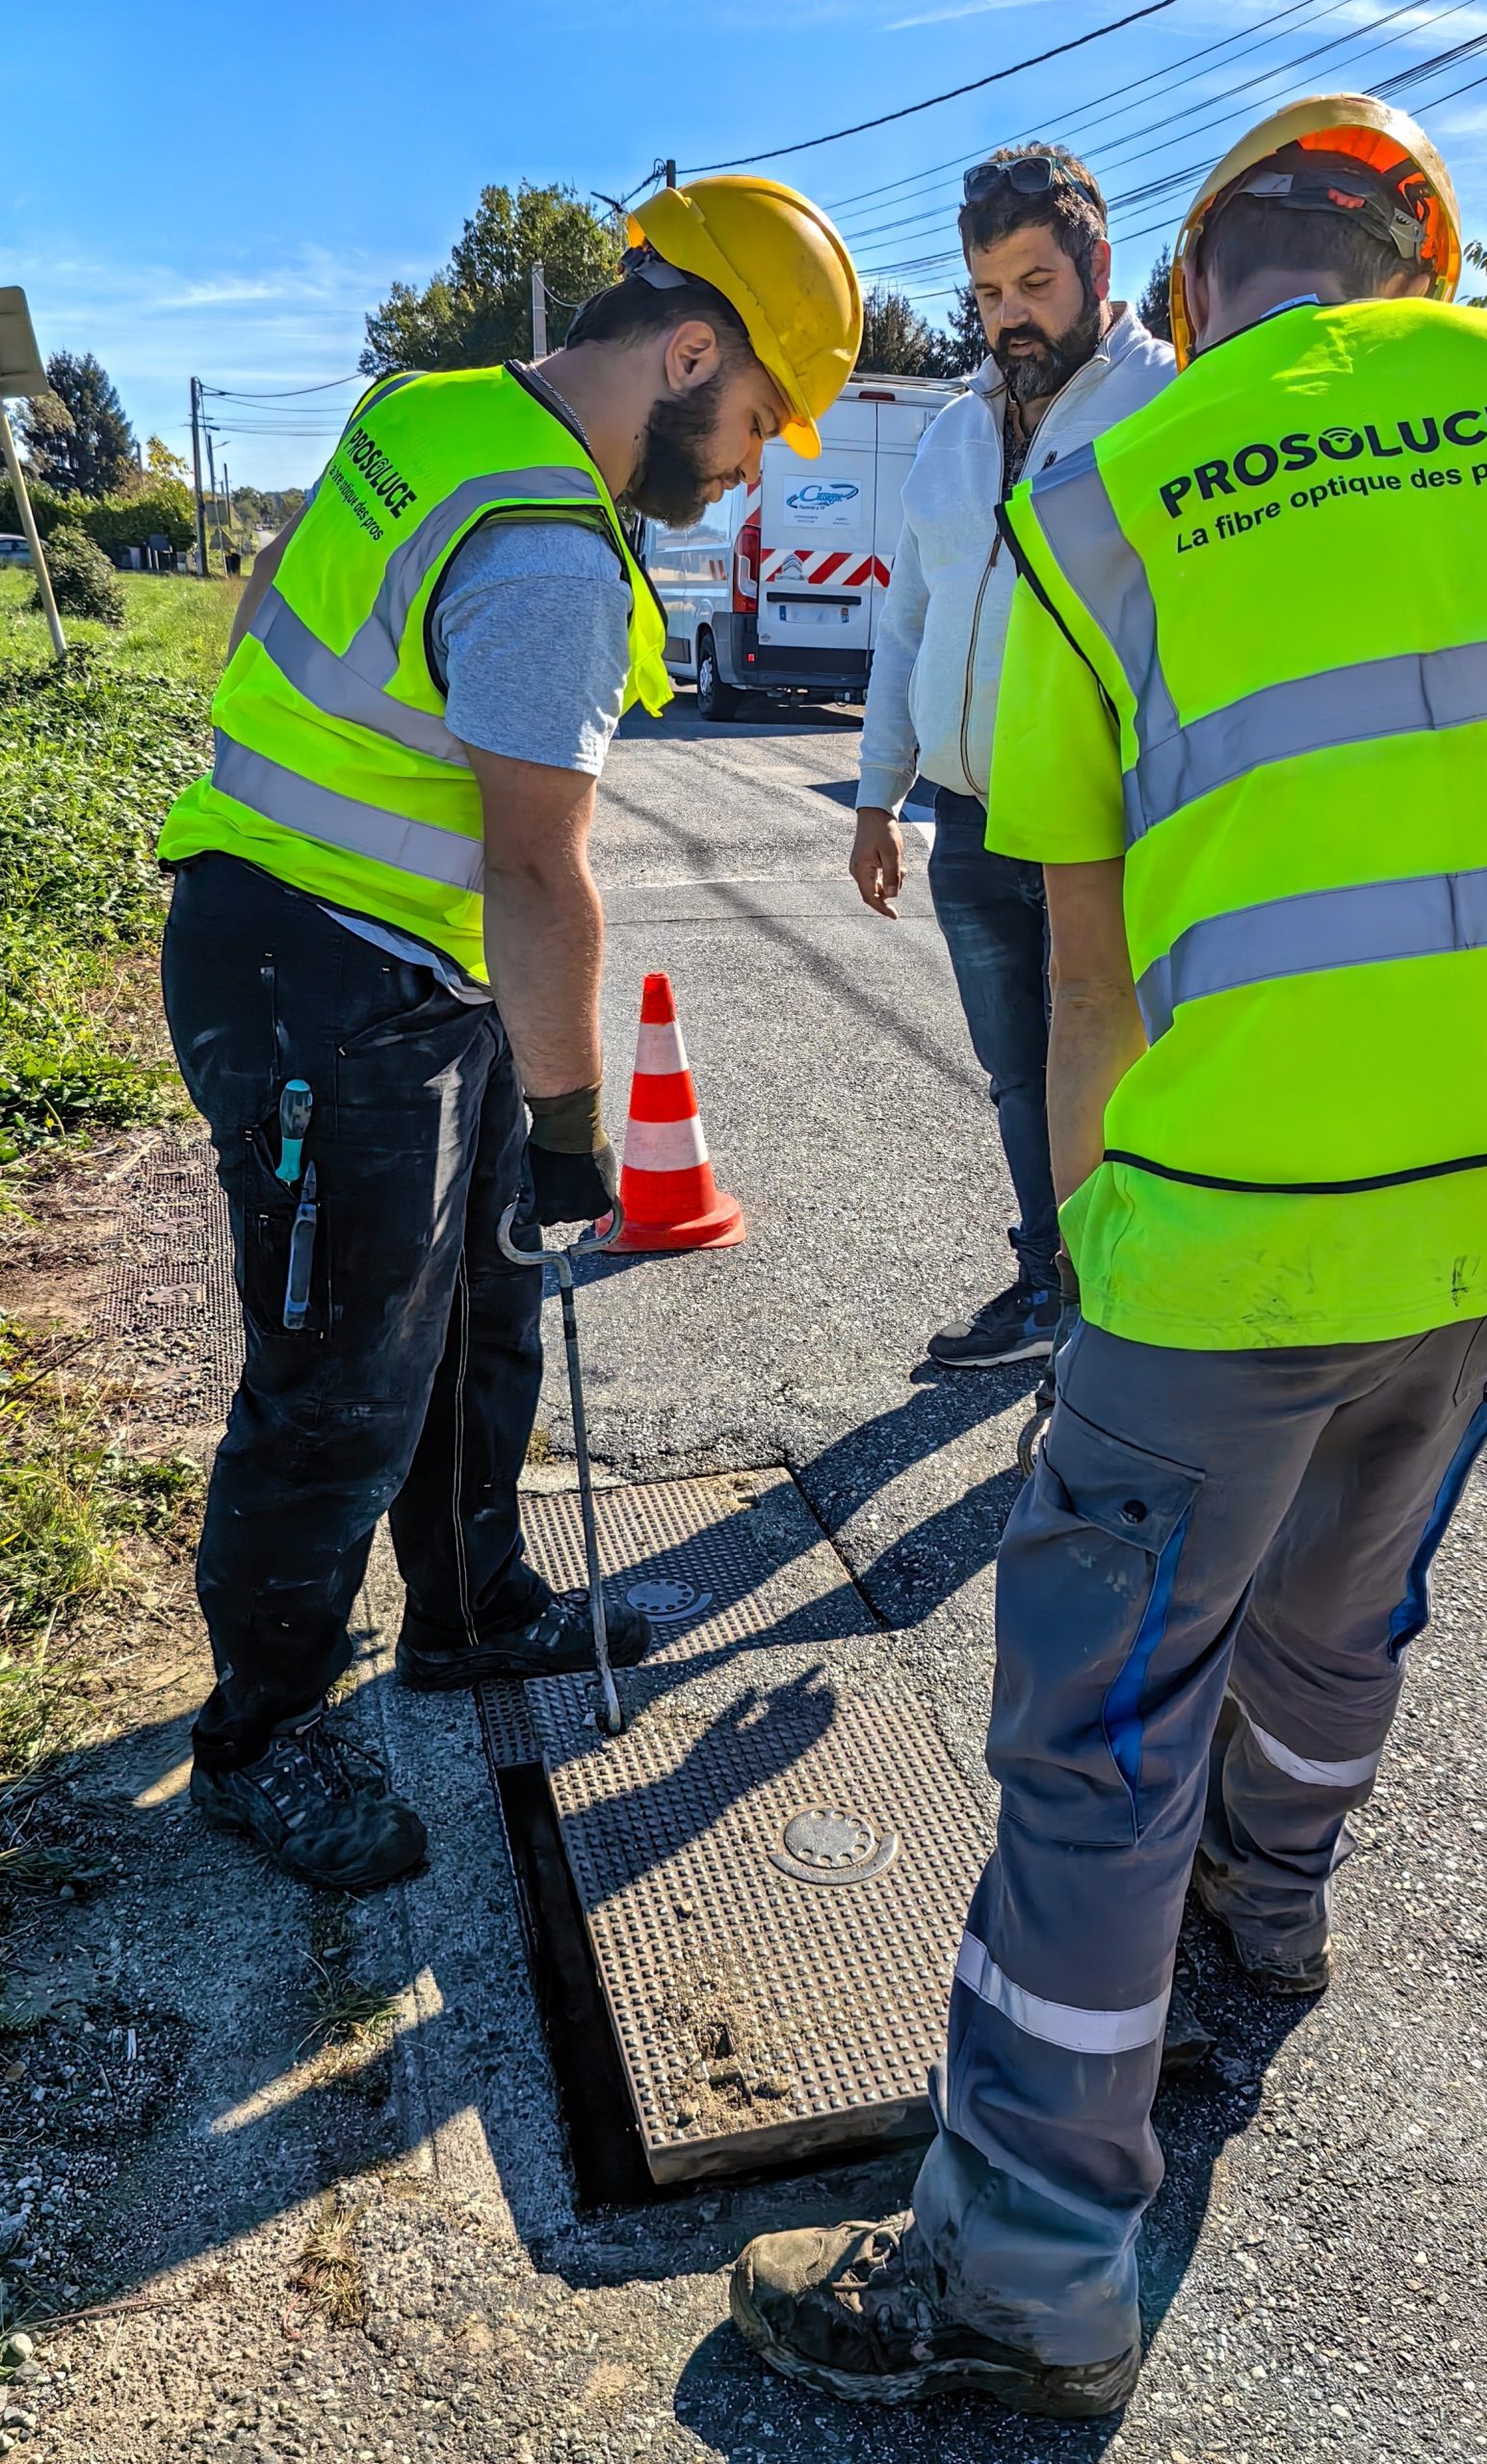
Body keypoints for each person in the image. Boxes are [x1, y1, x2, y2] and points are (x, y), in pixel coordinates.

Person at [731, 92, 1487, 2415]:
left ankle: (1027, 2267)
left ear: (1195, 283)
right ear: (1416, 263)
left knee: (1096, 1721)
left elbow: (1085, 956)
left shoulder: (1102, 497)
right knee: (1341, 1606)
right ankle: (1263, 1931)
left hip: (1226, 1235)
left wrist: (1082, 1273)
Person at [159, 178, 862, 1894]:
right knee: (340, 1379)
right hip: (325, 983)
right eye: (761, 418)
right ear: (690, 351)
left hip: (366, 959)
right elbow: (542, 876)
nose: (755, 462)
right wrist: (573, 1129)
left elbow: (269, 583)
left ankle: (469, 1610)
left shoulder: (427, 408)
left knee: (478, 1313)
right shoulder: (547, 546)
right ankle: (260, 1737)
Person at [850, 144, 1171, 1369]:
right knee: (1013, 1068)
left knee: (1119, 1066)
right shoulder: (949, 431)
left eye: (1034, 283)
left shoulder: (1165, 408)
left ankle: (1118, 1308)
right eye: (988, 294)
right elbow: (910, 620)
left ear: (1096, 264)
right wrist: (878, 793)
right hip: (971, 812)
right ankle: (1047, 1285)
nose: (1009, 319)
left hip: (1109, 812)